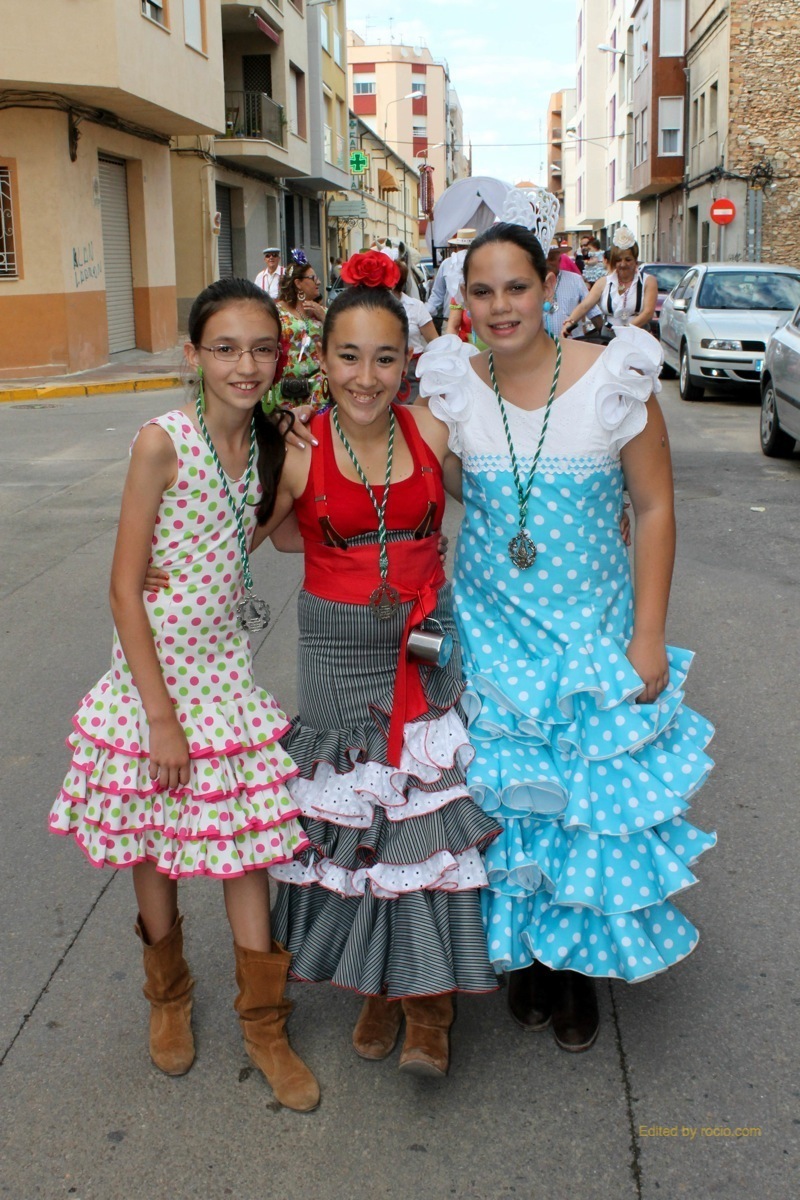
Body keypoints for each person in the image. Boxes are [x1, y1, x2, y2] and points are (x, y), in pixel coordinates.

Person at [416, 216, 715, 1053]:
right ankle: (529, 958)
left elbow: (654, 508)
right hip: (491, 634)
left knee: (582, 807)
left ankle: (574, 966)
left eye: (517, 286)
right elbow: (410, 478)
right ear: (463, 300)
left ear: (550, 287)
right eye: (482, 291)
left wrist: (648, 635)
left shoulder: (616, 379)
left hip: (590, 640)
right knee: (508, 803)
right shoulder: (451, 387)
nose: (501, 306)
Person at [49, 278, 320, 1111]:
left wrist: (302, 455)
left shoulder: (273, 444)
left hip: (224, 679)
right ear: (193, 354)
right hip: (154, 684)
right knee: (153, 842)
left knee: (247, 846)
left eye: (262, 349)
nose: (245, 365)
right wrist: (160, 719)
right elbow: (123, 587)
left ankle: (264, 1024)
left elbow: (273, 539)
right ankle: (167, 997)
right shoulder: (160, 443)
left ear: (281, 356)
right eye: (225, 348)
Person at [263, 251, 502, 1078]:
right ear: (323, 359)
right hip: (336, 653)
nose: (366, 378)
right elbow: (249, 537)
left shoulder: (433, 428)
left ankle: (430, 1007)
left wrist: (605, 508)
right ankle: (381, 983)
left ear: (409, 363)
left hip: (423, 642)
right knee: (360, 828)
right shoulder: (297, 449)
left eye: (385, 358)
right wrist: (155, 568)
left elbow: (502, 490)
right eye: (349, 357)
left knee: (423, 818)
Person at [563, 226, 657, 340]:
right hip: (609, 338)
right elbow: (585, 306)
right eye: (618, 260)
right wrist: (570, 322)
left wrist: (625, 330)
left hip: (638, 337)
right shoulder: (604, 282)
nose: (623, 264)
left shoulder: (648, 281)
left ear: (635, 260)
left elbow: (648, 313)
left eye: (628, 260)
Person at [277, 250, 328, 410]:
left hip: (317, 391)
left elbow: (341, 341)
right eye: (313, 278)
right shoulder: (277, 312)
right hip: (285, 390)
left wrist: (324, 317)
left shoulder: (323, 312)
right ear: (298, 283)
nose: (318, 282)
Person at [392, 260, 439, 402]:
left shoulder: (415, 306)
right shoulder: (373, 307)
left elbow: (434, 342)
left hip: (413, 371)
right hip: (385, 367)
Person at [544, 246, 603, 340]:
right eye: (543, 259)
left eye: (551, 259)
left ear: (559, 260)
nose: (547, 263)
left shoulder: (575, 280)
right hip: (542, 344)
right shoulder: (532, 283)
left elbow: (592, 310)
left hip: (572, 342)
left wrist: (604, 336)